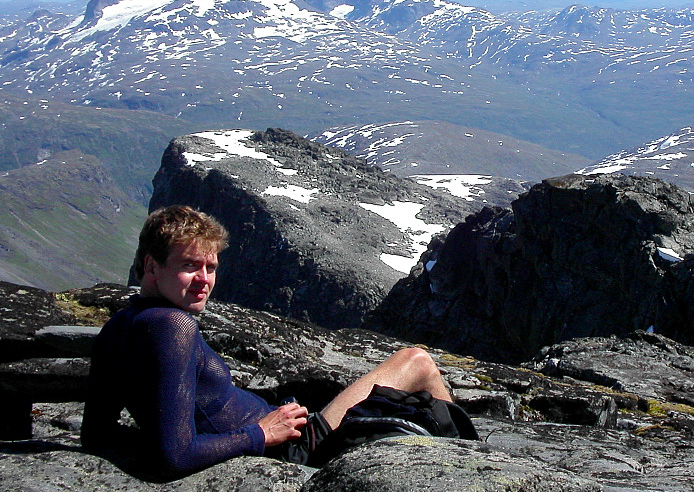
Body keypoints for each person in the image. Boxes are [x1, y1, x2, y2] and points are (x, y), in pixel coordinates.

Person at [82, 204, 454, 476]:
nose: (204, 280)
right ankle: (470, 461)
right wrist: (260, 433)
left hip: (282, 436)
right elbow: (175, 455)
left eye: (210, 267)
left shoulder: (118, 326)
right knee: (416, 362)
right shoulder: (173, 326)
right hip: (297, 450)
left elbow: (96, 435)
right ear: (151, 266)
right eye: (189, 265)